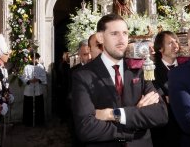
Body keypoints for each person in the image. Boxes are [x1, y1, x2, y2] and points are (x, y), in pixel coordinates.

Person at [71, 13, 168, 146]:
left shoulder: (138, 69)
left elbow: (160, 114)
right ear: (100, 37)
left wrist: (113, 114)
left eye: (125, 33)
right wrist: (136, 115)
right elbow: (86, 128)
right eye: (114, 34)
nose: (122, 39)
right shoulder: (83, 75)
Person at [151, 31, 181, 147]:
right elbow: (160, 98)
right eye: (170, 43)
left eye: (176, 42)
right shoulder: (152, 71)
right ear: (160, 48)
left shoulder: (187, 66)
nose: (175, 46)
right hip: (166, 129)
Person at [20, 53, 47, 127]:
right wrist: (29, 80)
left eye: (37, 58)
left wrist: (38, 79)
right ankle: (28, 122)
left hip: (38, 88)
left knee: (39, 105)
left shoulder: (41, 67)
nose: (35, 60)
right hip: (29, 89)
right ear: (31, 58)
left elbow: (44, 77)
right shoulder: (27, 67)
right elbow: (23, 77)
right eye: (34, 58)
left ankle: (39, 122)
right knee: (28, 106)